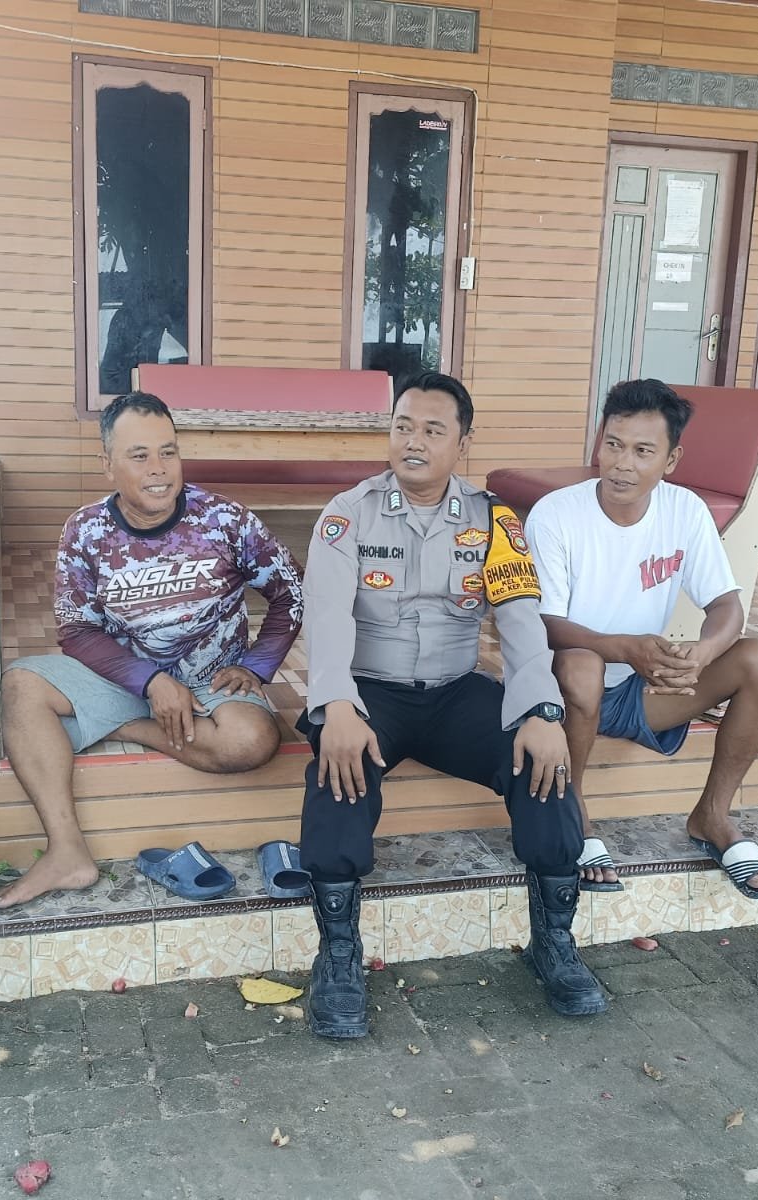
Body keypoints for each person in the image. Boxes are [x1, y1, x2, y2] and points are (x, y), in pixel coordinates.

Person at [298, 371, 608, 1039]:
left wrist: (543, 710)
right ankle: (338, 957)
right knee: (336, 771)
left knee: (543, 765)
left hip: (456, 690)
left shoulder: (495, 519)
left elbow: (520, 618)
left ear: (462, 443)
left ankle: (554, 943)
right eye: (403, 426)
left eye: (433, 430)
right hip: (371, 689)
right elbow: (325, 618)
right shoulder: (347, 514)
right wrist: (338, 705)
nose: (413, 441)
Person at [0, 392, 305, 908]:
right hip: (122, 677)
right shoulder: (85, 531)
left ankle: (118, 726)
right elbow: (76, 631)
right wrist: (152, 683)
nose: (158, 469)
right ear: (108, 465)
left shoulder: (225, 520)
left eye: (168, 452)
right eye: (139, 456)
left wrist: (257, 665)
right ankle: (66, 852)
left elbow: (291, 592)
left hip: (212, 680)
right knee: (20, 685)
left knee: (252, 740)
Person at [526, 378, 758, 900]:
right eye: (613, 444)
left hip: (643, 689)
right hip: (563, 690)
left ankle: (712, 816)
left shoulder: (684, 510)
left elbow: (727, 606)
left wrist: (702, 654)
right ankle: (574, 810)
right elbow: (544, 625)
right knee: (583, 665)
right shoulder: (556, 514)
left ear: (671, 460)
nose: (622, 464)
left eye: (643, 451)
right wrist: (626, 648)